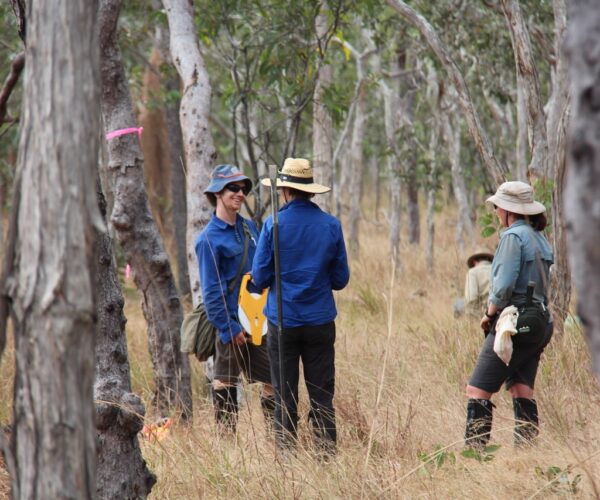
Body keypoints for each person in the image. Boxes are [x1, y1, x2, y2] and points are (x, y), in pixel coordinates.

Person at [251, 158, 350, 454]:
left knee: (284, 393)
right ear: (310, 191)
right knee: (321, 393)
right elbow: (340, 279)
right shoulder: (331, 225)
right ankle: (325, 454)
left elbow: (259, 275)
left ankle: (287, 456)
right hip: (320, 321)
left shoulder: (273, 224)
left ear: (285, 191)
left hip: (283, 322)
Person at [464, 181, 553, 449]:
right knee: (521, 388)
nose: (495, 212)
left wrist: (489, 314)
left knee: (477, 390)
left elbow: (502, 286)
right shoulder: (540, 238)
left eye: (497, 207)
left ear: (508, 210)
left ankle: (475, 457)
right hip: (540, 323)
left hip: (513, 323)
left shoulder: (512, 237)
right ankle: (527, 454)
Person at [195, 164, 274, 434]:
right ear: (217, 192)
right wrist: (229, 328)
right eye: (233, 188)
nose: (240, 194)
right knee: (225, 383)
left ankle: (279, 444)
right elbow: (211, 292)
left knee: (273, 380)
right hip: (229, 325)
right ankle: (227, 448)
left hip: (258, 321)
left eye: (243, 189)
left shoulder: (251, 228)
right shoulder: (208, 239)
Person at [454, 247, 494, 317]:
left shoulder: (473, 272)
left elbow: (471, 298)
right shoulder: (497, 269)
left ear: (475, 262)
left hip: (483, 310)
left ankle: (460, 326)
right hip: (497, 308)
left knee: (457, 303)